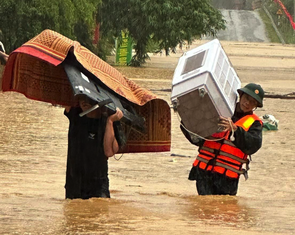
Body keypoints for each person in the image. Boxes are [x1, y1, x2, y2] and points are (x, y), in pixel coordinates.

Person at [182, 83, 264, 195]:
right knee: (203, 207)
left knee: (224, 211)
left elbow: (253, 145)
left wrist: (235, 130)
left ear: (256, 106)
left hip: (227, 178)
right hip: (204, 171)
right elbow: (198, 138)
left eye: (253, 102)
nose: (247, 103)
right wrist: (187, 119)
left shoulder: (255, 123)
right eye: (246, 98)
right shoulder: (218, 110)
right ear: (241, 96)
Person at [64, 94, 124, 199]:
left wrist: (110, 122)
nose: (84, 102)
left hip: (98, 185)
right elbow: (63, 94)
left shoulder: (109, 120)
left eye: (88, 98)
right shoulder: (75, 115)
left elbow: (109, 152)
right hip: (75, 183)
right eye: (82, 98)